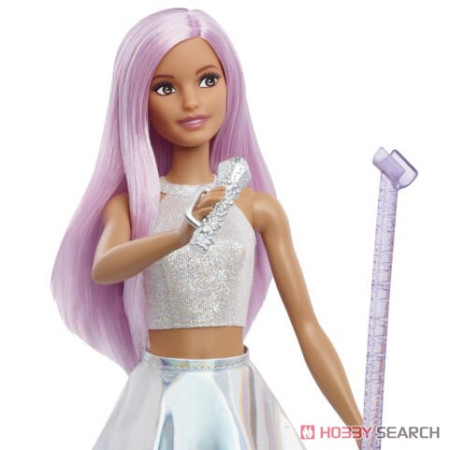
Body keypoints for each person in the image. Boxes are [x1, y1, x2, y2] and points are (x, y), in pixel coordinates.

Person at [52, 8, 362, 449]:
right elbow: (105, 267)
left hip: (236, 397)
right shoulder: (134, 206)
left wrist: (360, 427)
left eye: (208, 80)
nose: (191, 102)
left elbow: (307, 326)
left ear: (230, 84)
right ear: (138, 101)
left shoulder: (257, 208)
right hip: (162, 398)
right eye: (165, 87)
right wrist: (179, 235)